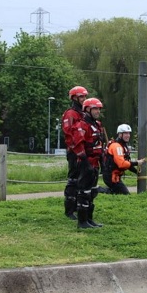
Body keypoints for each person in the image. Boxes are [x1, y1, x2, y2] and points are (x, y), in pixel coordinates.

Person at [71, 97, 105, 229]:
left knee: (92, 192)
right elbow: (78, 146)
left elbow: (99, 143)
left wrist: (102, 160)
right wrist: (86, 164)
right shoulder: (82, 125)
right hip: (86, 163)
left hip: (95, 163)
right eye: (95, 109)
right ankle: (82, 221)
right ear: (87, 109)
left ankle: (89, 219)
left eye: (99, 109)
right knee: (84, 192)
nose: (98, 111)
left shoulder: (97, 124)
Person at [61, 86, 88, 220]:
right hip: (74, 152)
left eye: (85, 97)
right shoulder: (71, 113)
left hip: (83, 151)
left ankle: (79, 206)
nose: (84, 99)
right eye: (82, 97)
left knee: (82, 180)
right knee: (73, 180)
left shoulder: (83, 113)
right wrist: (77, 151)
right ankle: (69, 210)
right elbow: (69, 134)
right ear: (74, 98)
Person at [103, 124, 146, 195]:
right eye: (125, 133)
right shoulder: (117, 146)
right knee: (125, 194)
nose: (128, 135)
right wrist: (137, 163)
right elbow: (122, 164)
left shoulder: (123, 146)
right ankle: (97, 190)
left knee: (116, 192)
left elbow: (127, 163)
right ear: (120, 134)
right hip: (111, 176)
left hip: (116, 176)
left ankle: (99, 190)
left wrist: (136, 172)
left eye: (129, 133)